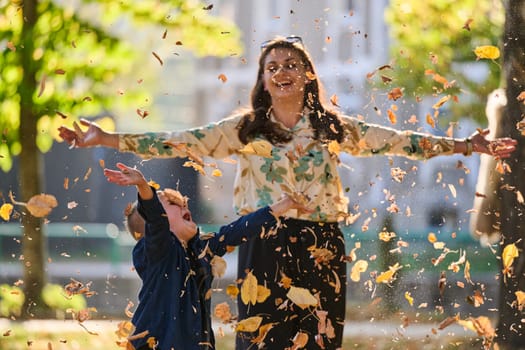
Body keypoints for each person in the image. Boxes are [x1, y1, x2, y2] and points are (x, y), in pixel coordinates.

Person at [59, 35, 516, 350]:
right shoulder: (244, 130)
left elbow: (396, 141)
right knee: (264, 339)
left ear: (308, 76)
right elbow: (181, 139)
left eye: (291, 65)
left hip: (323, 243)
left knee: (321, 338)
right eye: (272, 67)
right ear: (262, 80)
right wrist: (107, 138)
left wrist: (464, 145)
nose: (281, 72)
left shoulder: (332, 128)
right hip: (266, 245)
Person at [104, 161, 307, 350]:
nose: (184, 205)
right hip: (156, 343)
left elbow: (235, 231)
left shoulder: (200, 249)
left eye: (183, 202)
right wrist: (143, 186)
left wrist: (283, 205)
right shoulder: (157, 253)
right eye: (173, 204)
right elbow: (156, 219)